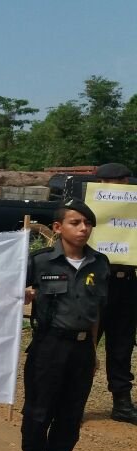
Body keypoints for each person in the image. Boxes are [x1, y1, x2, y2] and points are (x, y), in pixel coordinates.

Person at [21, 198, 109, 451]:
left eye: (88, 223)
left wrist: (93, 350)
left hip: (82, 350)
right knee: (38, 413)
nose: (83, 228)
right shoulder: (40, 262)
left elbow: (96, 312)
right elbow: (9, 296)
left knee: (71, 415)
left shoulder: (100, 263)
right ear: (58, 228)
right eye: (76, 223)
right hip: (49, 347)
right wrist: (24, 295)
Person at [93, 162, 137, 425]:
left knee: (122, 345)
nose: (124, 186)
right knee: (82, 344)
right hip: (95, 283)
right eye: (119, 181)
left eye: (125, 181)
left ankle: (122, 403)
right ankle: (70, 402)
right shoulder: (88, 207)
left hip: (127, 283)